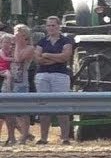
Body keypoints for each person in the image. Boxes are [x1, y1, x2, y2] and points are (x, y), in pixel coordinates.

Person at [34, 16, 73, 145]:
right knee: (44, 107)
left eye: (53, 25)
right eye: (49, 25)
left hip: (60, 75)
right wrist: (56, 58)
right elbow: (38, 59)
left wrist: (48, 55)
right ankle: (44, 138)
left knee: (62, 106)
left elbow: (65, 57)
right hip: (43, 75)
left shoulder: (66, 40)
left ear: (59, 26)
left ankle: (65, 138)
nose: (51, 28)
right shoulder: (42, 41)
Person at [7, 25, 35, 145]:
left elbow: (18, 59)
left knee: (23, 111)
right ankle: (16, 136)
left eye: (18, 33)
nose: (15, 35)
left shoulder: (29, 48)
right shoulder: (11, 47)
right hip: (10, 81)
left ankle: (24, 136)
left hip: (22, 82)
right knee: (10, 111)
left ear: (24, 35)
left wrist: (18, 43)